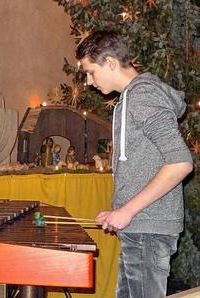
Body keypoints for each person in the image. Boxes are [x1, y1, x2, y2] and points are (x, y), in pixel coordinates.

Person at [77, 30, 193, 298]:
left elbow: (181, 162)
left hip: (147, 229)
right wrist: (119, 210)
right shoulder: (131, 98)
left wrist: (127, 210)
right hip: (140, 228)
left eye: (91, 71)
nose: (88, 81)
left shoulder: (143, 97)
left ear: (110, 63)